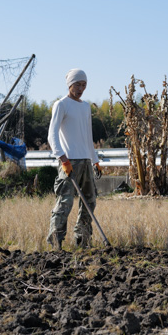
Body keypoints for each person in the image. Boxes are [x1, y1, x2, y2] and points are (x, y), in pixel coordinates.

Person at [46, 69, 102, 249]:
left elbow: (88, 135)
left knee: (89, 201)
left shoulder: (85, 107)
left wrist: (95, 160)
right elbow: (52, 135)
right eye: (78, 84)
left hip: (85, 160)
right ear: (70, 84)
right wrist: (63, 159)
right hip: (69, 161)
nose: (81, 88)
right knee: (65, 202)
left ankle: (83, 239)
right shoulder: (61, 105)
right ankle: (56, 242)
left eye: (84, 85)